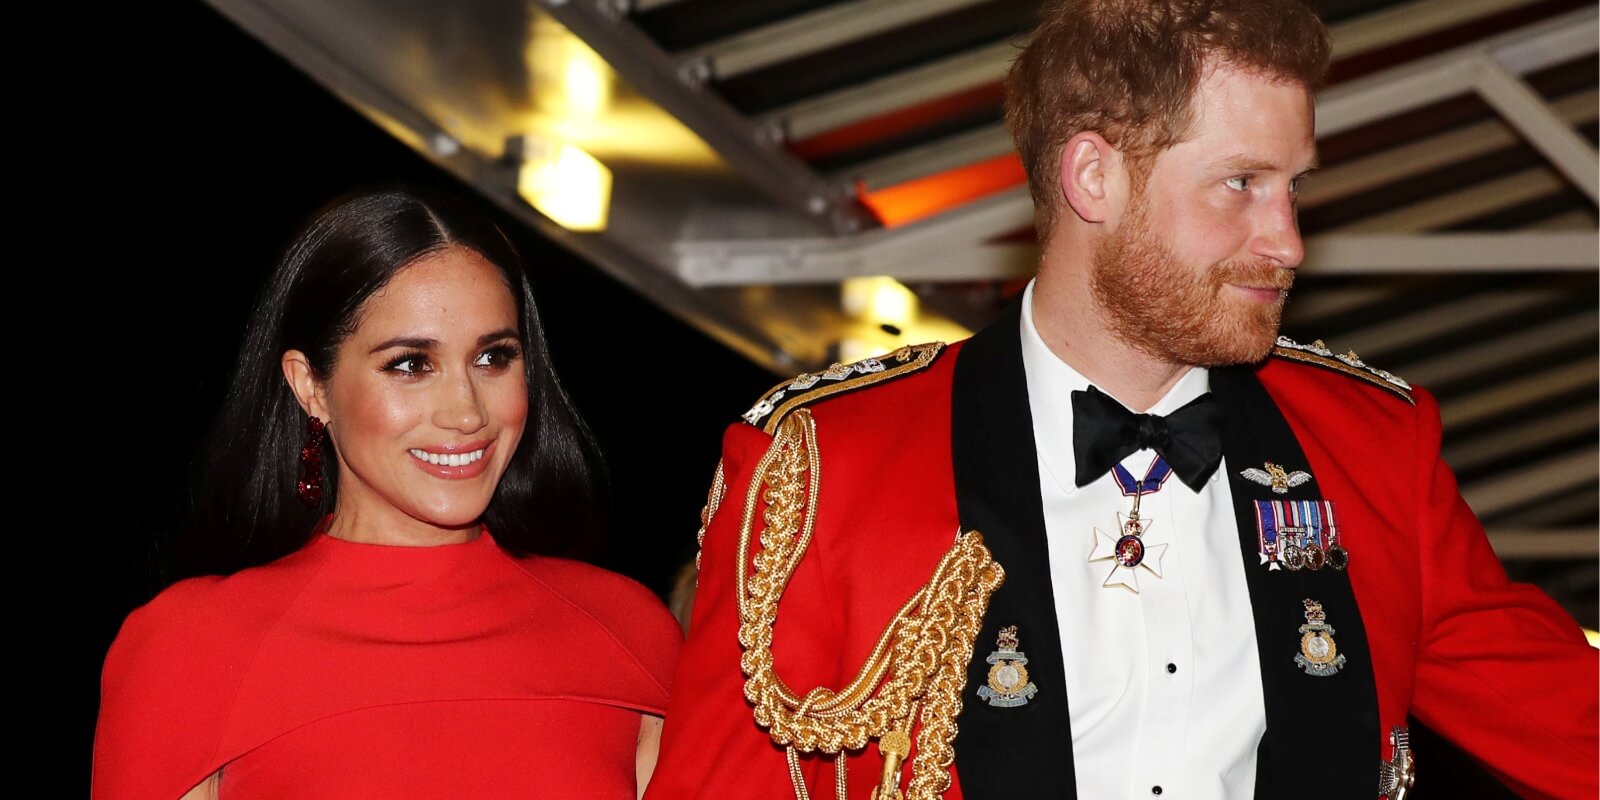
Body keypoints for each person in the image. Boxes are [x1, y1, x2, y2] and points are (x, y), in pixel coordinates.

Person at [644, 2, 1598, 799]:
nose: (1290, 240)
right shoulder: (826, 463)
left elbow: (1570, 722)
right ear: (1092, 177)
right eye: (1242, 184)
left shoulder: (1373, 448)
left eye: (1294, 189)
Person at [93, 189, 681, 799]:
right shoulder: (192, 647)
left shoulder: (628, 632)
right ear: (310, 386)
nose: (466, 412)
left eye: (492, 357)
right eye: (409, 364)